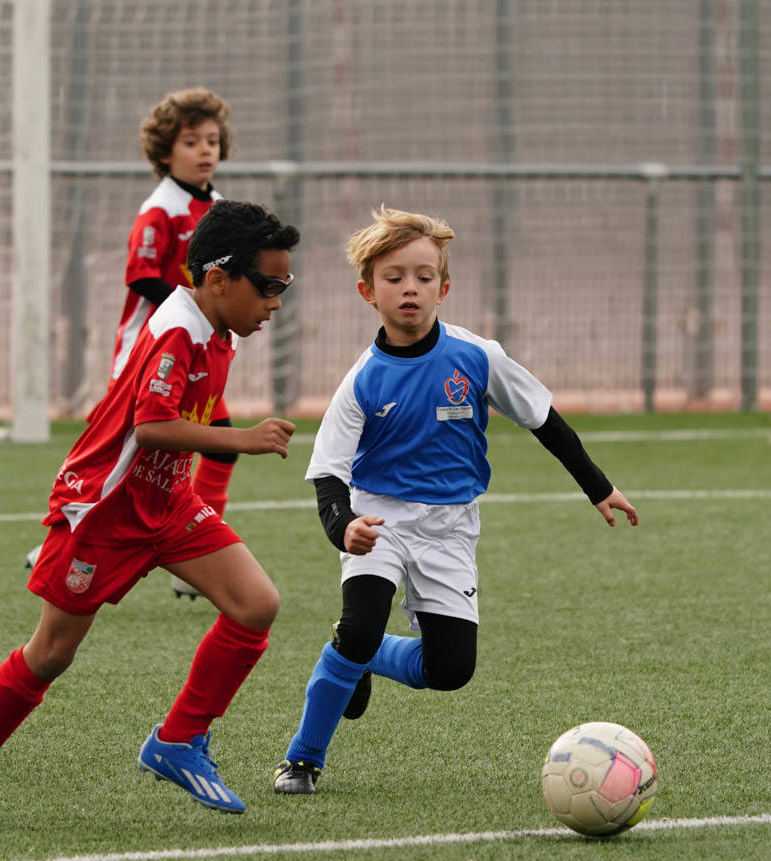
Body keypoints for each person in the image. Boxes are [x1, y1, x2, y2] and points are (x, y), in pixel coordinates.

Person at [0, 200, 299, 826]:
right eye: (269, 286)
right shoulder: (178, 330)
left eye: (284, 287)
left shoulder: (219, 327)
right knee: (50, 655)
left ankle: (177, 741)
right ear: (219, 278)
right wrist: (242, 439)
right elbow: (150, 428)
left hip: (168, 504)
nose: (276, 303)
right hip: (103, 511)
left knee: (256, 605)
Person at [270, 207, 639, 795]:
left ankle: (358, 659)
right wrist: (344, 529)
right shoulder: (362, 379)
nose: (409, 288)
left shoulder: (477, 356)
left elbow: (544, 420)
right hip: (378, 515)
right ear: (368, 292)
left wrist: (598, 486)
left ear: (444, 287)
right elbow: (328, 475)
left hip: (451, 527)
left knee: (449, 671)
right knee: (361, 623)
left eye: (422, 276)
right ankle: (303, 758)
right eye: (393, 277)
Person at [27, 88, 238, 598]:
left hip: (194, 351)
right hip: (149, 350)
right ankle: (62, 535)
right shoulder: (160, 209)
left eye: (212, 140)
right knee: (118, 446)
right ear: (165, 152)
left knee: (215, 442)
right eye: (191, 141)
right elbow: (141, 277)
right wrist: (195, 307)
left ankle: (192, 534)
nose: (205, 150)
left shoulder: (221, 209)